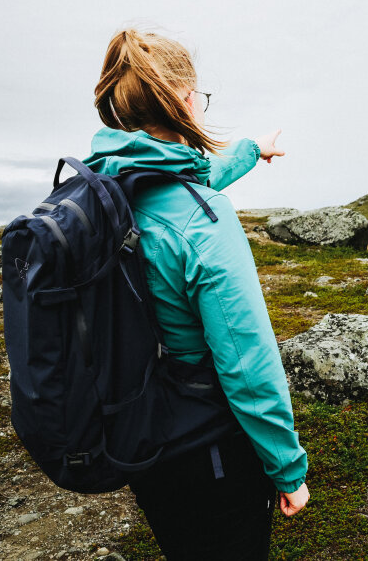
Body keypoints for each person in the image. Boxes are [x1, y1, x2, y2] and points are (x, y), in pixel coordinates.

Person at [82, 28, 309, 559]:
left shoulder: (107, 187)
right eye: (198, 96)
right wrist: (286, 466)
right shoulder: (203, 221)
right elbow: (246, 360)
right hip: (207, 446)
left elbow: (192, 179)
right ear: (184, 101)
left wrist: (254, 150)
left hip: (136, 430)